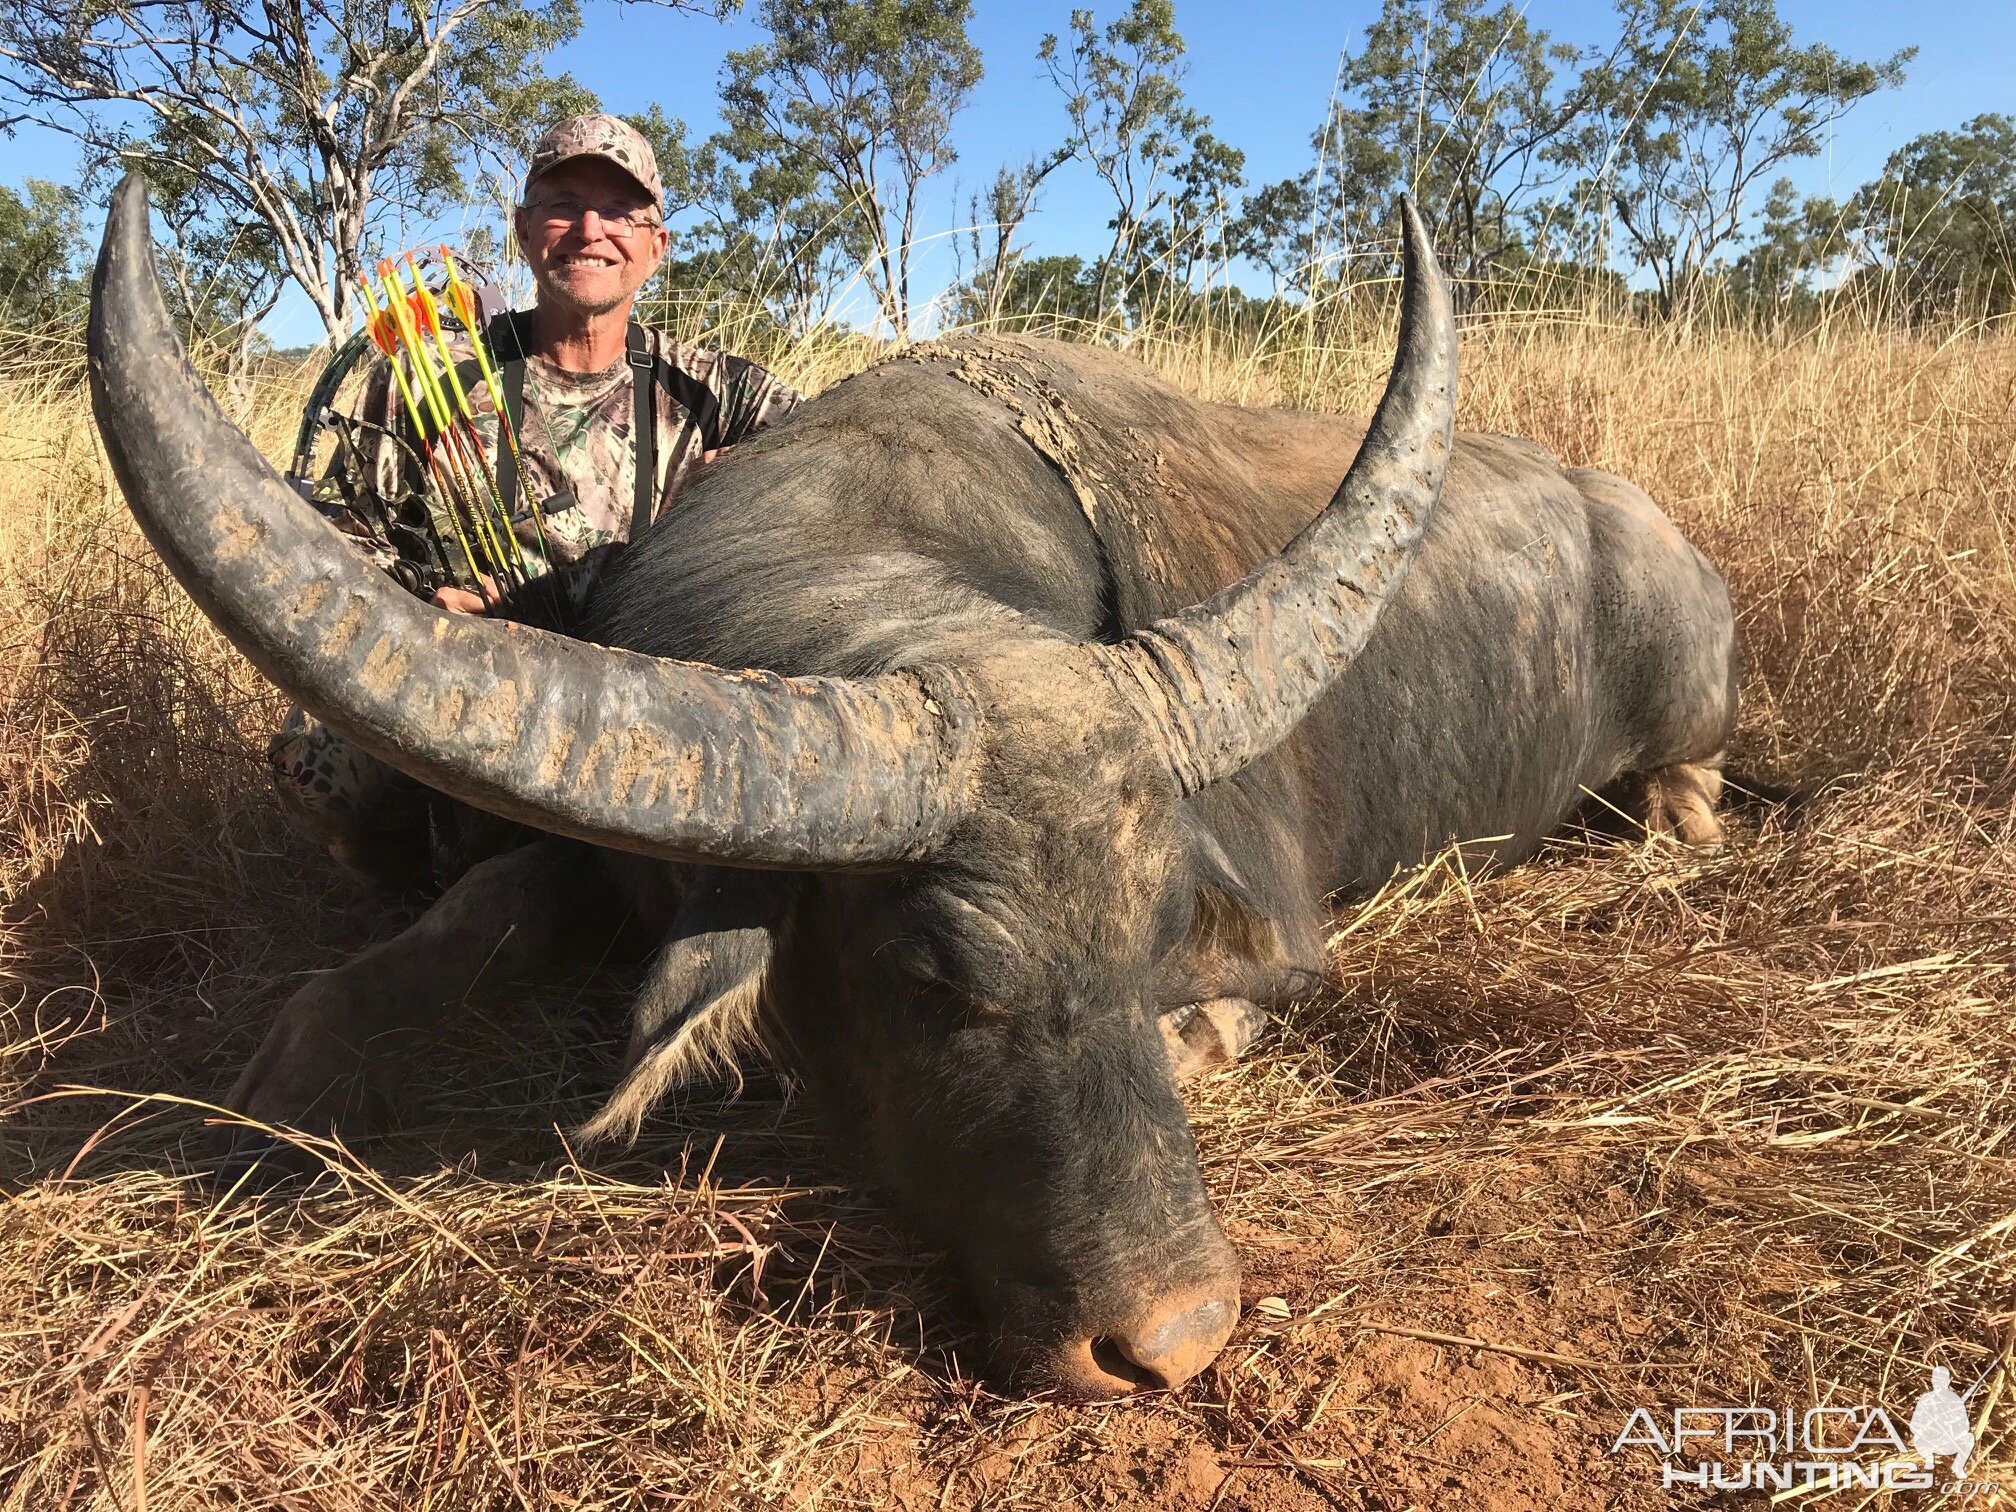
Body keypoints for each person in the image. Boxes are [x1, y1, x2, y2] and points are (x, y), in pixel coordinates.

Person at [270, 113, 804, 888]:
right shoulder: (429, 378)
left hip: (662, 699)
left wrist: (751, 480)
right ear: (524, 231)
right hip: (474, 684)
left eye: (621, 211)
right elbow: (333, 550)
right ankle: (415, 888)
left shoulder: (721, 390)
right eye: (563, 204)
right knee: (315, 758)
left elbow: (853, 459)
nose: (590, 230)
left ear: (657, 247)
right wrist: (417, 608)